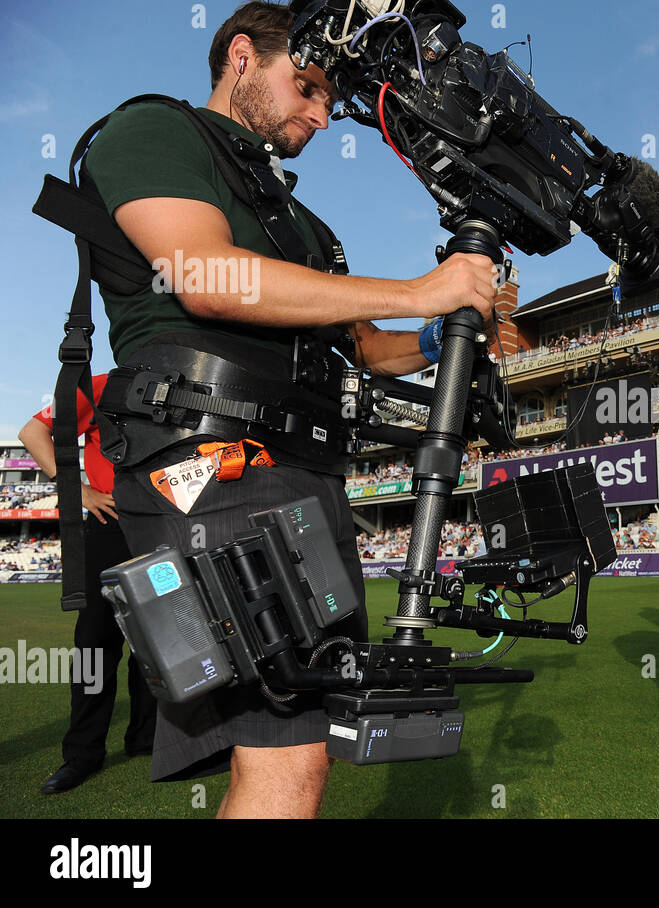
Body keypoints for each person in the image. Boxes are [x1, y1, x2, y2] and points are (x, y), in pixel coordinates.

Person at [82, 2, 497, 818]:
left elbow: (372, 350)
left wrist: (451, 322)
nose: (318, 112)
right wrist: (422, 286)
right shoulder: (153, 131)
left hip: (300, 465)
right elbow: (206, 275)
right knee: (291, 748)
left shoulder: (301, 224)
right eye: (304, 86)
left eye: (327, 99)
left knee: (300, 737)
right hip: (207, 453)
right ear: (241, 55)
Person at [20, 375, 158, 794]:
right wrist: (77, 490)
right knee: (95, 647)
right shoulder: (105, 384)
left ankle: (147, 739)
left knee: (155, 642)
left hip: (165, 525)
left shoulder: (193, 374)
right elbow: (33, 431)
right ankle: (82, 755)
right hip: (109, 522)